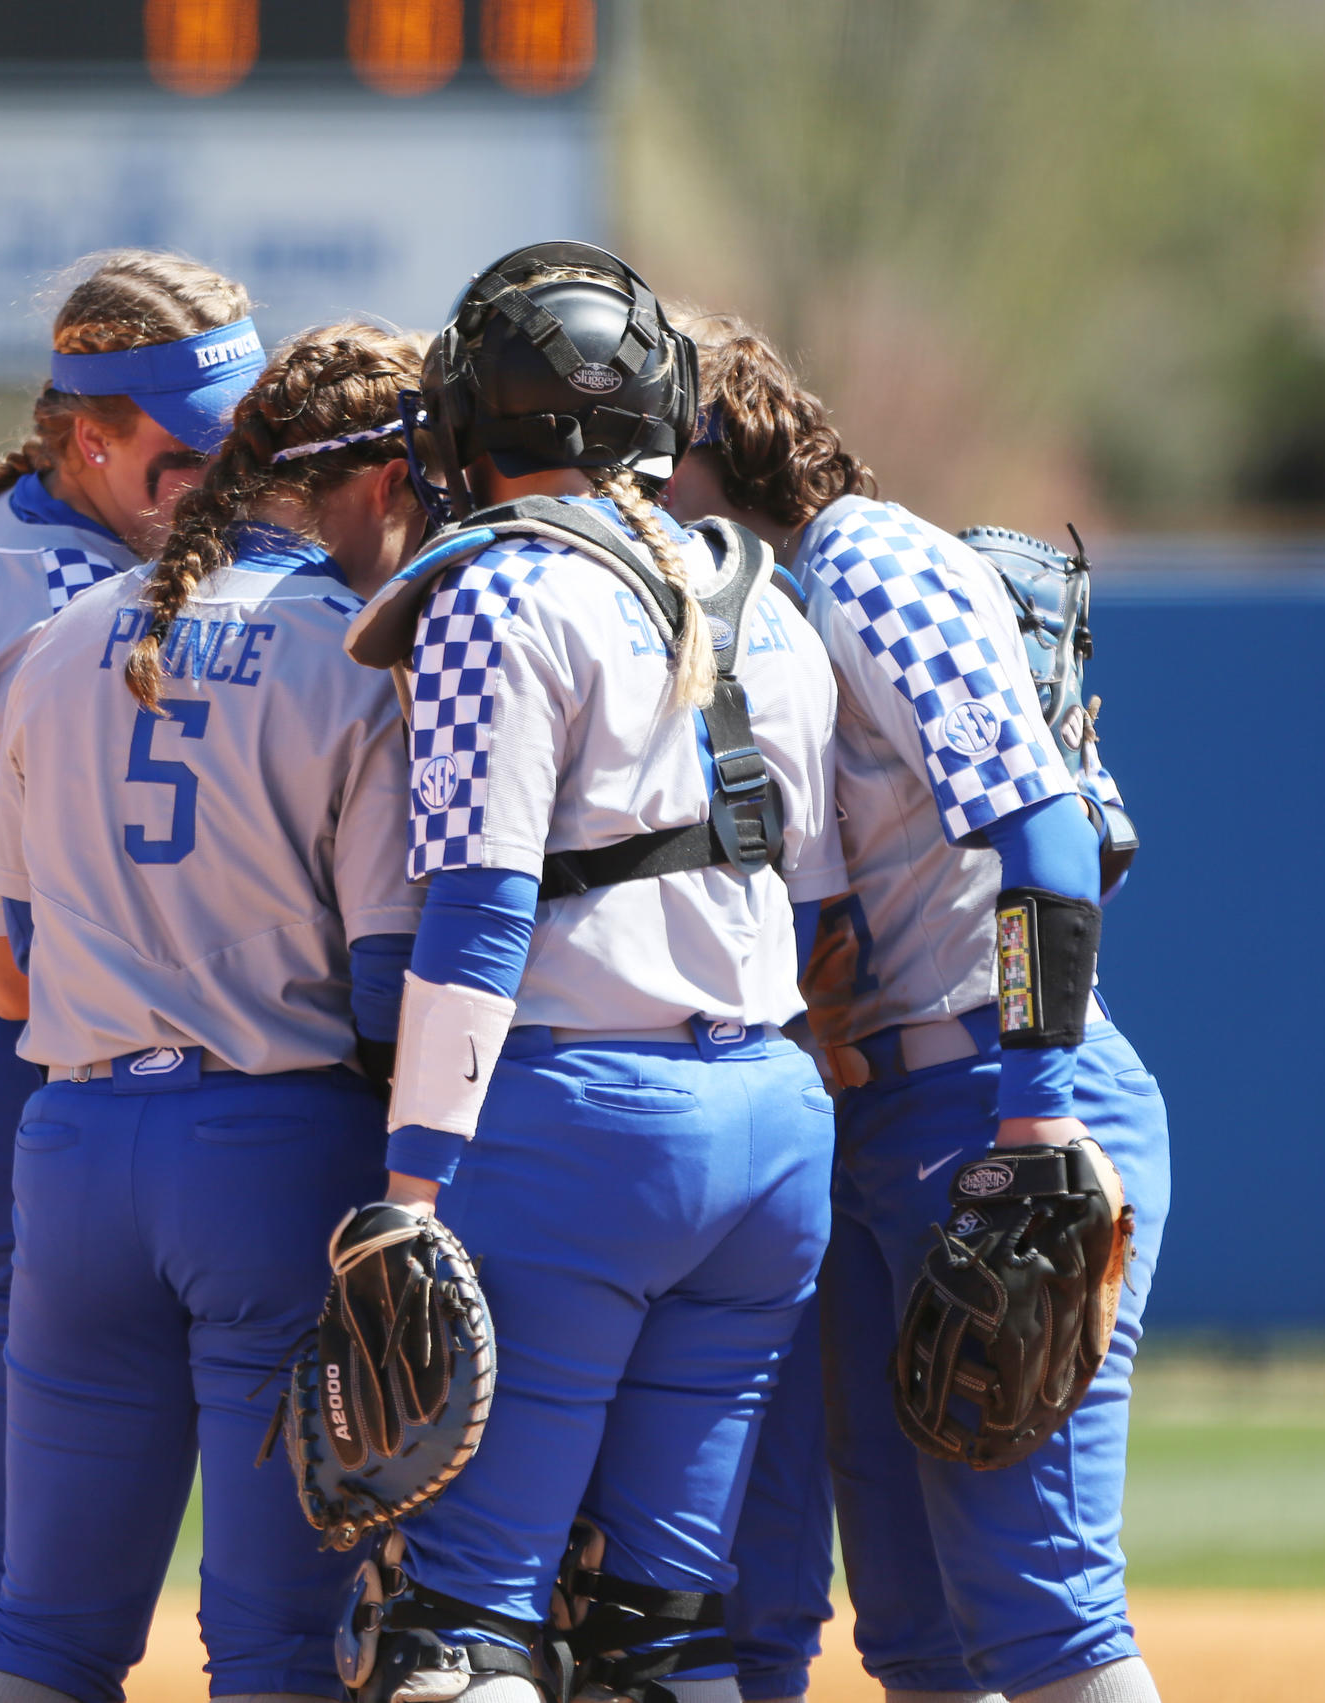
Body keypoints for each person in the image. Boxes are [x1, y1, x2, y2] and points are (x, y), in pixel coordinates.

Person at [337, 244, 845, 1703]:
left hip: (580, 1126)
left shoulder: (501, 592)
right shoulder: (765, 596)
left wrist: (413, 1189)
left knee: (464, 1625)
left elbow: (481, 914)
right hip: (769, 1129)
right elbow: (809, 900)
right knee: (662, 1634)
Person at [667, 316, 1170, 1703]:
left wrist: (1035, 1114)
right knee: (916, 1625)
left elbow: (1051, 843)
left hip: (990, 1090)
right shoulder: (761, 616)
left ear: (715, 441)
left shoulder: (865, 558)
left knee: (1039, 1606)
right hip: (882, 1109)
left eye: (651, 462)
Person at [0, 325, 435, 1703]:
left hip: (75, 1146)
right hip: (273, 1156)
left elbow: (12, 965)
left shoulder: (51, 646)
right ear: (360, 481)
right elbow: (386, 991)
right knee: (280, 1645)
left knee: (44, 1637)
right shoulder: (356, 656)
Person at [0, 249, 262, 1703]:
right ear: (88, 435)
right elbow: (45, 951)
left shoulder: (3, 539)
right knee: (34, 1609)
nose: (219, 477)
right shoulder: (76, 609)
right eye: (183, 448)